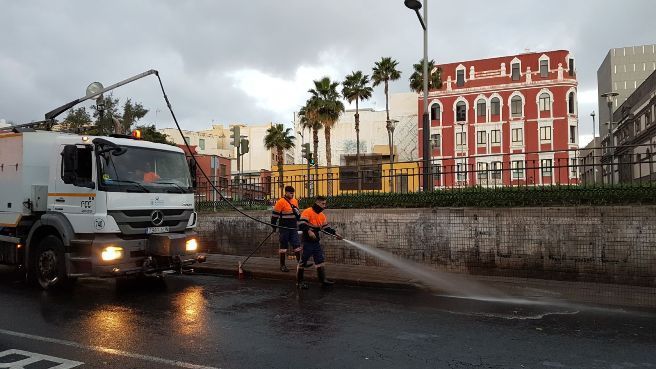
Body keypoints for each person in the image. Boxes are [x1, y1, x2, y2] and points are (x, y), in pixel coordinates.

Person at [297, 195, 343, 289]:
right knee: (303, 261)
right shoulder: (308, 211)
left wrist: (335, 234)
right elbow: (301, 224)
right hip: (307, 241)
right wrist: (309, 231)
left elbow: (326, 228)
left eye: (325, 203)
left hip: (315, 241)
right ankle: (299, 282)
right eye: (323, 204)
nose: (324, 206)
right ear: (317, 203)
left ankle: (323, 280)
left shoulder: (321, 215)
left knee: (320, 260)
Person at [270, 186, 304, 272]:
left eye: (293, 193)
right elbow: (274, 216)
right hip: (284, 228)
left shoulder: (295, 201)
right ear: (286, 192)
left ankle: (300, 263)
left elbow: (297, 214)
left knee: (297, 245)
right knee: (283, 246)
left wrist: (300, 223)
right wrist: (273, 226)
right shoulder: (280, 202)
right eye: (290, 193)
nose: (292, 195)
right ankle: (282, 265)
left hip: (293, 227)